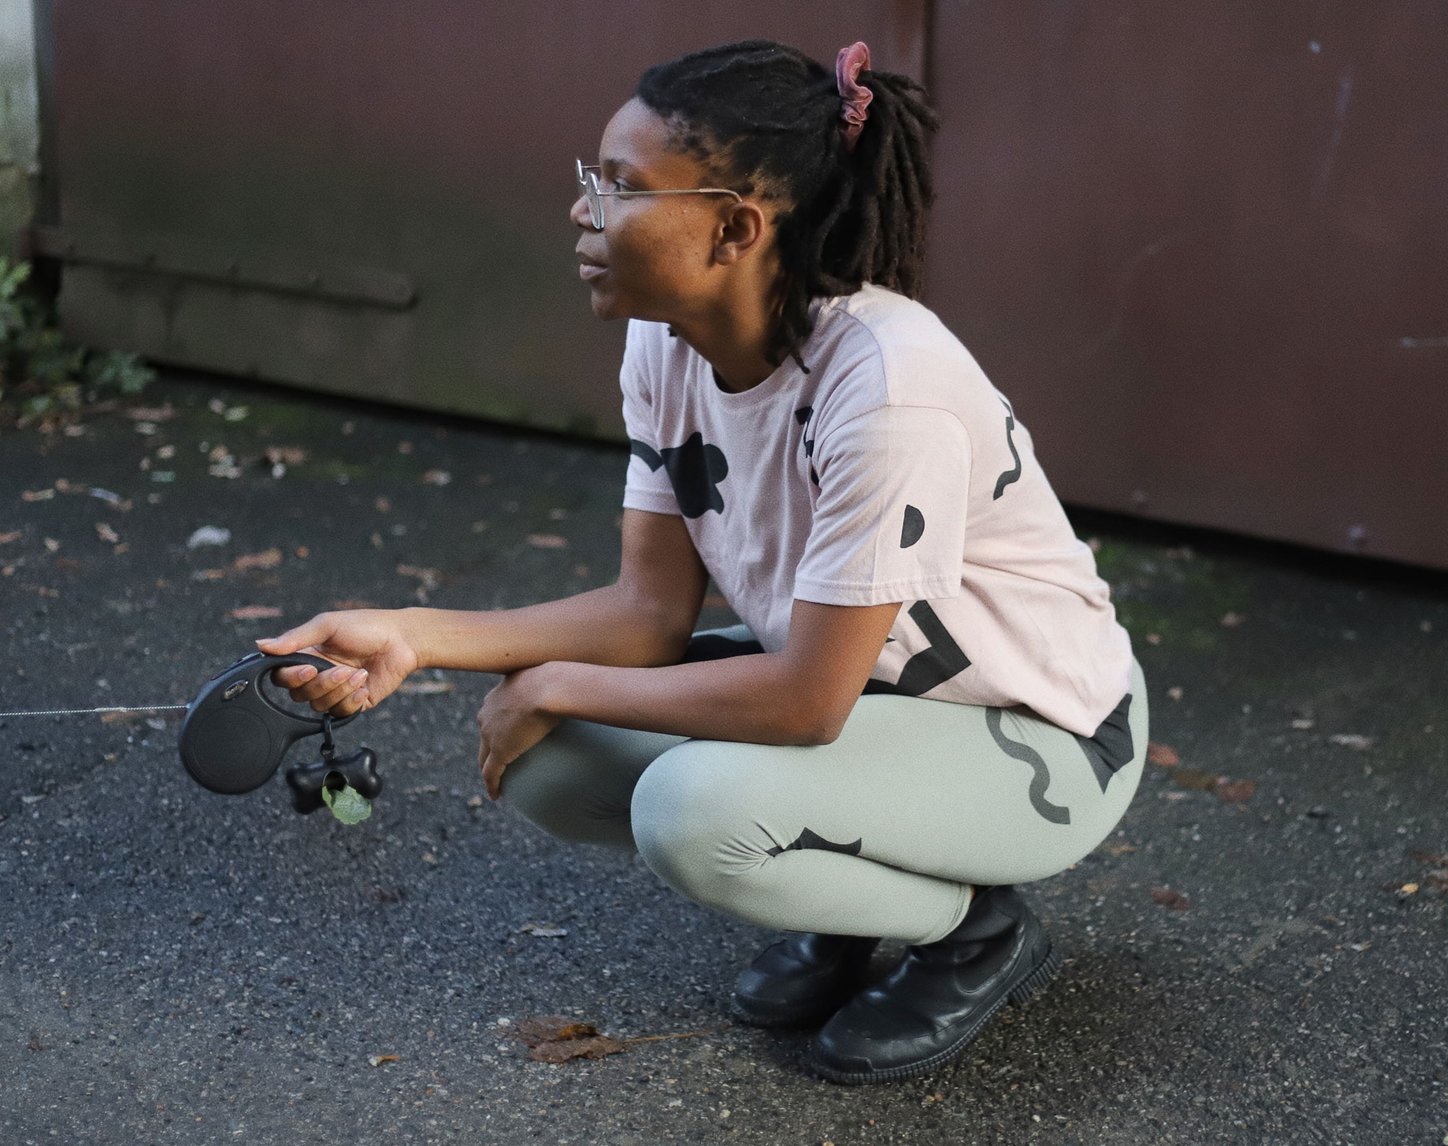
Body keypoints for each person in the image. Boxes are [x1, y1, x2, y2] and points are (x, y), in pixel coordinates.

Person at [257, 38, 1146, 1085]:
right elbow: (648, 612)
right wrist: (410, 635)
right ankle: (846, 909)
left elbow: (809, 701)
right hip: (871, 699)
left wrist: (549, 680)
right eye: (593, 183)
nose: (584, 213)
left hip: (1037, 734)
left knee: (693, 813)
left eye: (622, 190)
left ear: (735, 226)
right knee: (555, 753)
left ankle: (976, 933)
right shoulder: (666, 339)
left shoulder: (887, 387)